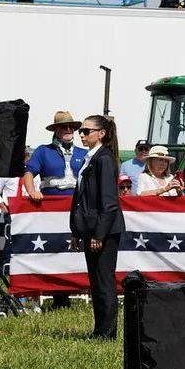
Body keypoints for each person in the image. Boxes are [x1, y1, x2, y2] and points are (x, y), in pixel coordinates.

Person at [70, 114, 124, 339]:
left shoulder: (104, 159)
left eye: (86, 131)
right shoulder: (90, 157)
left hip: (105, 231)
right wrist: (77, 230)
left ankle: (107, 333)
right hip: (91, 228)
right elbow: (82, 198)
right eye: (80, 131)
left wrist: (99, 234)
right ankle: (100, 330)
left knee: (104, 281)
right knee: (96, 281)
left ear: (101, 134)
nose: (81, 135)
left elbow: (109, 203)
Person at [22, 111, 89, 202]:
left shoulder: (84, 153)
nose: (68, 129)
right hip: (51, 210)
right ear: (55, 129)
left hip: (78, 208)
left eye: (71, 126)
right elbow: (28, 173)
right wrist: (32, 192)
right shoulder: (43, 151)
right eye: (64, 126)